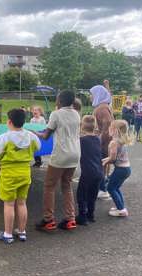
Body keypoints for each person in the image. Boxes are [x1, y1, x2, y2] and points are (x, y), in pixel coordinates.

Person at [0, 109, 41, 244]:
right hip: (25, 173)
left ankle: (8, 234)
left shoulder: (4, 137)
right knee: (22, 202)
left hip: (9, 175)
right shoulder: (31, 136)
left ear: (9, 122)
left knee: (9, 204)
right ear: (24, 122)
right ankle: (22, 231)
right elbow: (38, 147)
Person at [34, 90, 81, 231]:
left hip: (61, 154)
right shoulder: (77, 114)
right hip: (75, 153)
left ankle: (48, 220)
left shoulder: (56, 114)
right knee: (66, 185)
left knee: (49, 185)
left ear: (59, 101)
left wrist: (33, 133)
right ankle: (70, 218)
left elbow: (46, 135)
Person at [76, 115, 104, 225]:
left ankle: (82, 216)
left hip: (88, 172)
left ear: (82, 126)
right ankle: (91, 214)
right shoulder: (97, 139)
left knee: (82, 194)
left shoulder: (82, 140)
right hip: (99, 171)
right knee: (92, 194)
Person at [103, 120, 132, 217]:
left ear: (115, 130)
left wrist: (103, 162)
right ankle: (120, 206)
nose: (109, 129)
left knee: (110, 188)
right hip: (126, 169)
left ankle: (121, 210)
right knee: (116, 187)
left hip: (120, 170)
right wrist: (104, 160)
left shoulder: (114, 143)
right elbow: (115, 157)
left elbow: (112, 158)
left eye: (111, 127)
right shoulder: (121, 141)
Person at [90, 85, 114, 200]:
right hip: (107, 141)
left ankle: (103, 189)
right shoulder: (105, 106)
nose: (90, 97)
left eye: (92, 94)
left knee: (100, 165)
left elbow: (108, 122)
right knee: (104, 164)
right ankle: (104, 187)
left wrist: (101, 136)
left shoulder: (101, 108)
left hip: (103, 142)